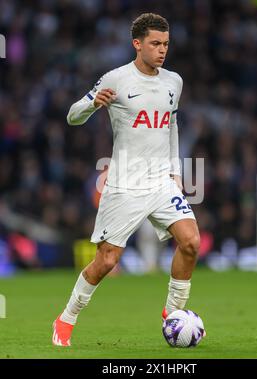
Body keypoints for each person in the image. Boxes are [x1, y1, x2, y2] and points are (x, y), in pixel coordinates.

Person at [52, 13, 203, 347]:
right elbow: (72, 116)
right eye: (155, 44)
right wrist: (93, 103)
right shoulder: (116, 79)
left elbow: (171, 126)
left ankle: (173, 315)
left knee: (191, 242)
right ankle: (66, 317)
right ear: (137, 44)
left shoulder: (173, 82)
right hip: (124, 183)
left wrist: (175, 172)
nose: (162, 50)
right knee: (106, 261)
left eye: (166, 44)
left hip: (162, 182)